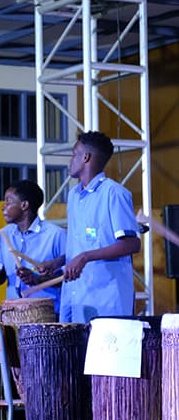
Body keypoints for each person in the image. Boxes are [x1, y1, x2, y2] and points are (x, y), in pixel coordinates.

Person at [45, 131, 140, 323]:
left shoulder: (114, 193)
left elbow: (132, 244)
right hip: (75, 295)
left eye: (73, 154)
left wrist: (85, 257)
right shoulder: (73, 195)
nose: (70, 160)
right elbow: (83, 245)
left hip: (106, 299)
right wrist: (59, 261)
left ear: (86, 157)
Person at [0, 179, 66, 313]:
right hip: (15, 314)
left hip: (48, 316)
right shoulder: (6, 234)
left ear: (24, 205)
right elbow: (0, 276)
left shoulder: (55, 234)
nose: (3, 206)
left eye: (8, 201)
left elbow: (69, 278)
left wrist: (37, 279)